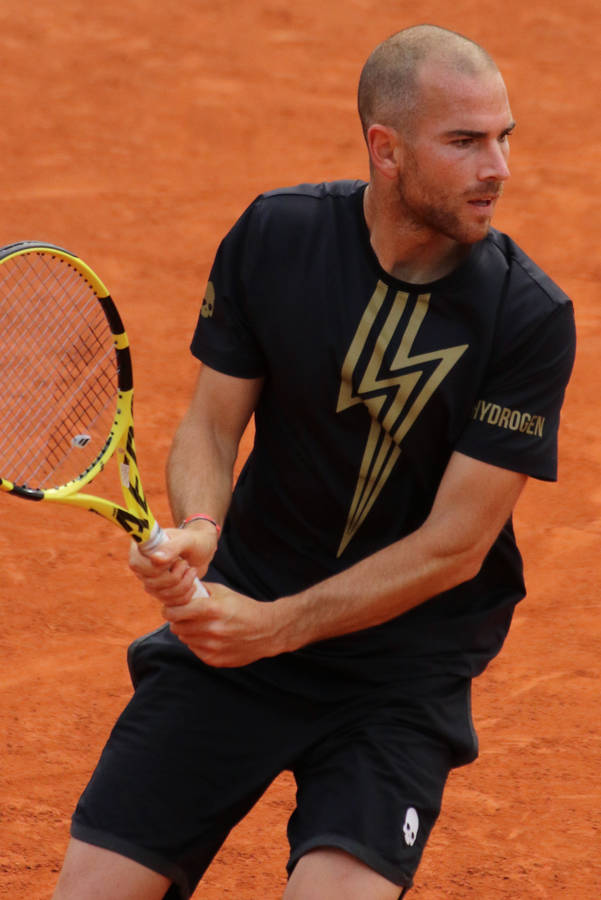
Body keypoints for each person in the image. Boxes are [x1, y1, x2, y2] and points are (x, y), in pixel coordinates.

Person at [52, 24, 576, 900]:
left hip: (398, 674)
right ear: (385, 149)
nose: (498, 168)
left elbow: (456, 544)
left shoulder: (526, 317)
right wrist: (200, 527)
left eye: (503, 136)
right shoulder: (276, 236)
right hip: (237, 630)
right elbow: (213, 428)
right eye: (464, 141)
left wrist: (281, 625)